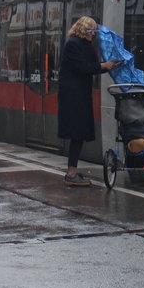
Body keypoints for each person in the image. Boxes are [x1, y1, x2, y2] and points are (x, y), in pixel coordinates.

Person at [58, 16, 119, 187]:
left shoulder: (84, 45)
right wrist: (103, 66)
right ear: (83, 30)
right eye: (92, 31)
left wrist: (108, 66)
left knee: (79, 134)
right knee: (77, 134)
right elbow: (83, 68)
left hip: (80, 95)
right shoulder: (73, 45)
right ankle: (71, 174)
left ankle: (72, 171)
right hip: (73, 97)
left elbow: (92, 66)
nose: (94, 34)